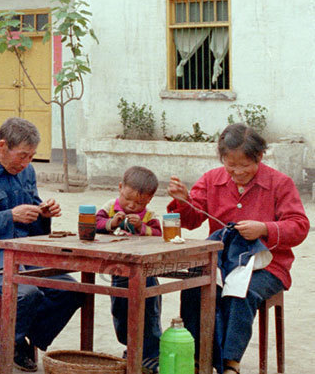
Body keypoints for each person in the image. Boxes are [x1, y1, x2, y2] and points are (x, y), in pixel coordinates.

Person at [168, 123, 309, 374]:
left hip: (267, 266)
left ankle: (229, 363)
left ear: (260, 157)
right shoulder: (212, 180)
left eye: (245, 166)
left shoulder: (279, 183)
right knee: (193, 288)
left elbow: (299, 226)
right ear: (222, 159)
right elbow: (190, 221)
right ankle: (201, 358)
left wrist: (264, 228)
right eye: (230, 166)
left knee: (240, 291)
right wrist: (183, 201)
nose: (237, 172)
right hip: (221, 263)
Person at [0, 117, 82, 372]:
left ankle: (20, 338)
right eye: (22, 156)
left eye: (31, 157)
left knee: (71, 291)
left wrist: (43, 213)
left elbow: (32, 224)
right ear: (2, 145)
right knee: (27, 293)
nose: (26, 164)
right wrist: (9, 216)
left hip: (23, 253)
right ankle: (12, 343)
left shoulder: (26, 172)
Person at [96, 166, 163, 374]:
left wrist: (143, 228)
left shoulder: (148, 215)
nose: (133, 206)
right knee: (120, 308)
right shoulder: (109, 207)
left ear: (149, 200)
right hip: (119, 268)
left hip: (145, 271)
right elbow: (95, 223)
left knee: (149, 308)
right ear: (120, 188)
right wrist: (111, 222)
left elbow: (159, 232)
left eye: (140, 203)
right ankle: (131, 346)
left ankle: (150, 352)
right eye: (128, 199)